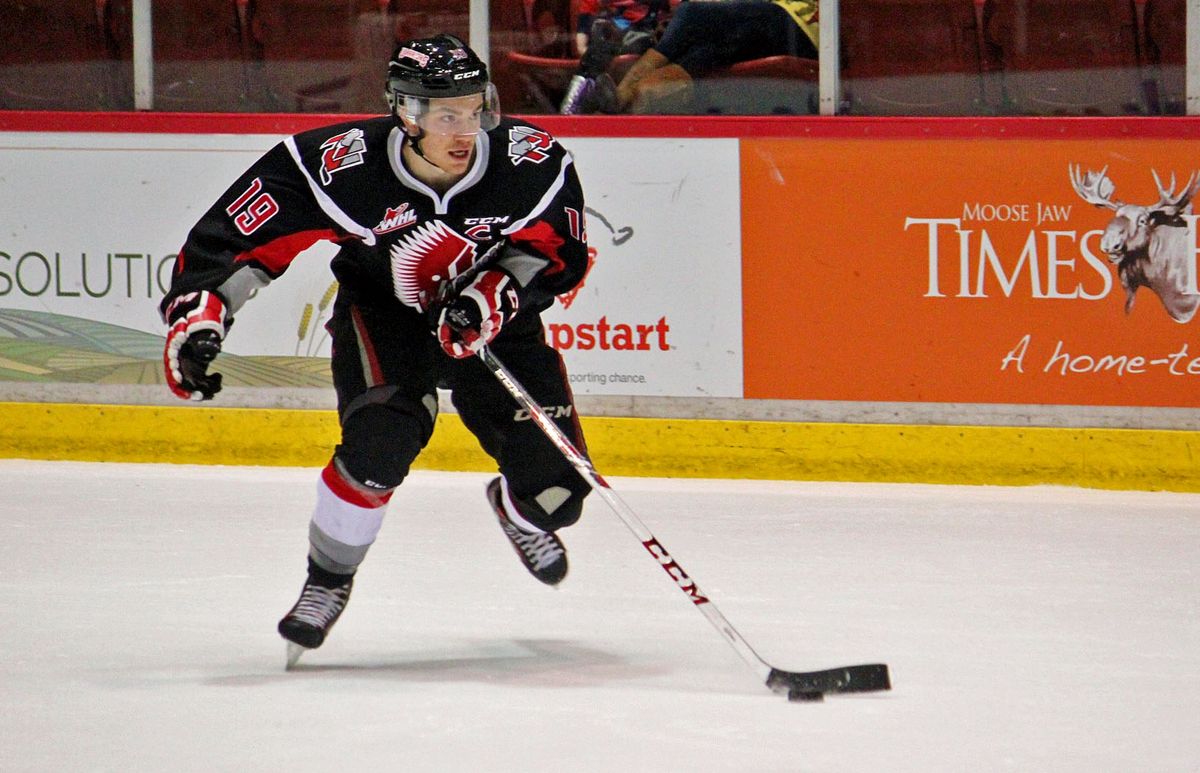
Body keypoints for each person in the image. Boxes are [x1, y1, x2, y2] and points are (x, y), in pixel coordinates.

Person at [158, 34, 593, 666]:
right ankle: (327, 580)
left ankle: (518, 513)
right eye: (447, 114)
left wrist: (494, 295)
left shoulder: (532, 163)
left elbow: (558, 254)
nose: (466, 128)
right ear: (407, 114)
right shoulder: (336, 165)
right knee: (380, 444)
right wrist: (201, 320)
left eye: (475, 109)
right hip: (384, 313)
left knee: (558, 497)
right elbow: (237, 242)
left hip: (490, 319)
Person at [570, 0, 819, 114]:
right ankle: (627, 107)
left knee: (692, 12)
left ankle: (622, 93)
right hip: (764, 22)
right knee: (705, 51)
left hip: (804, 28)